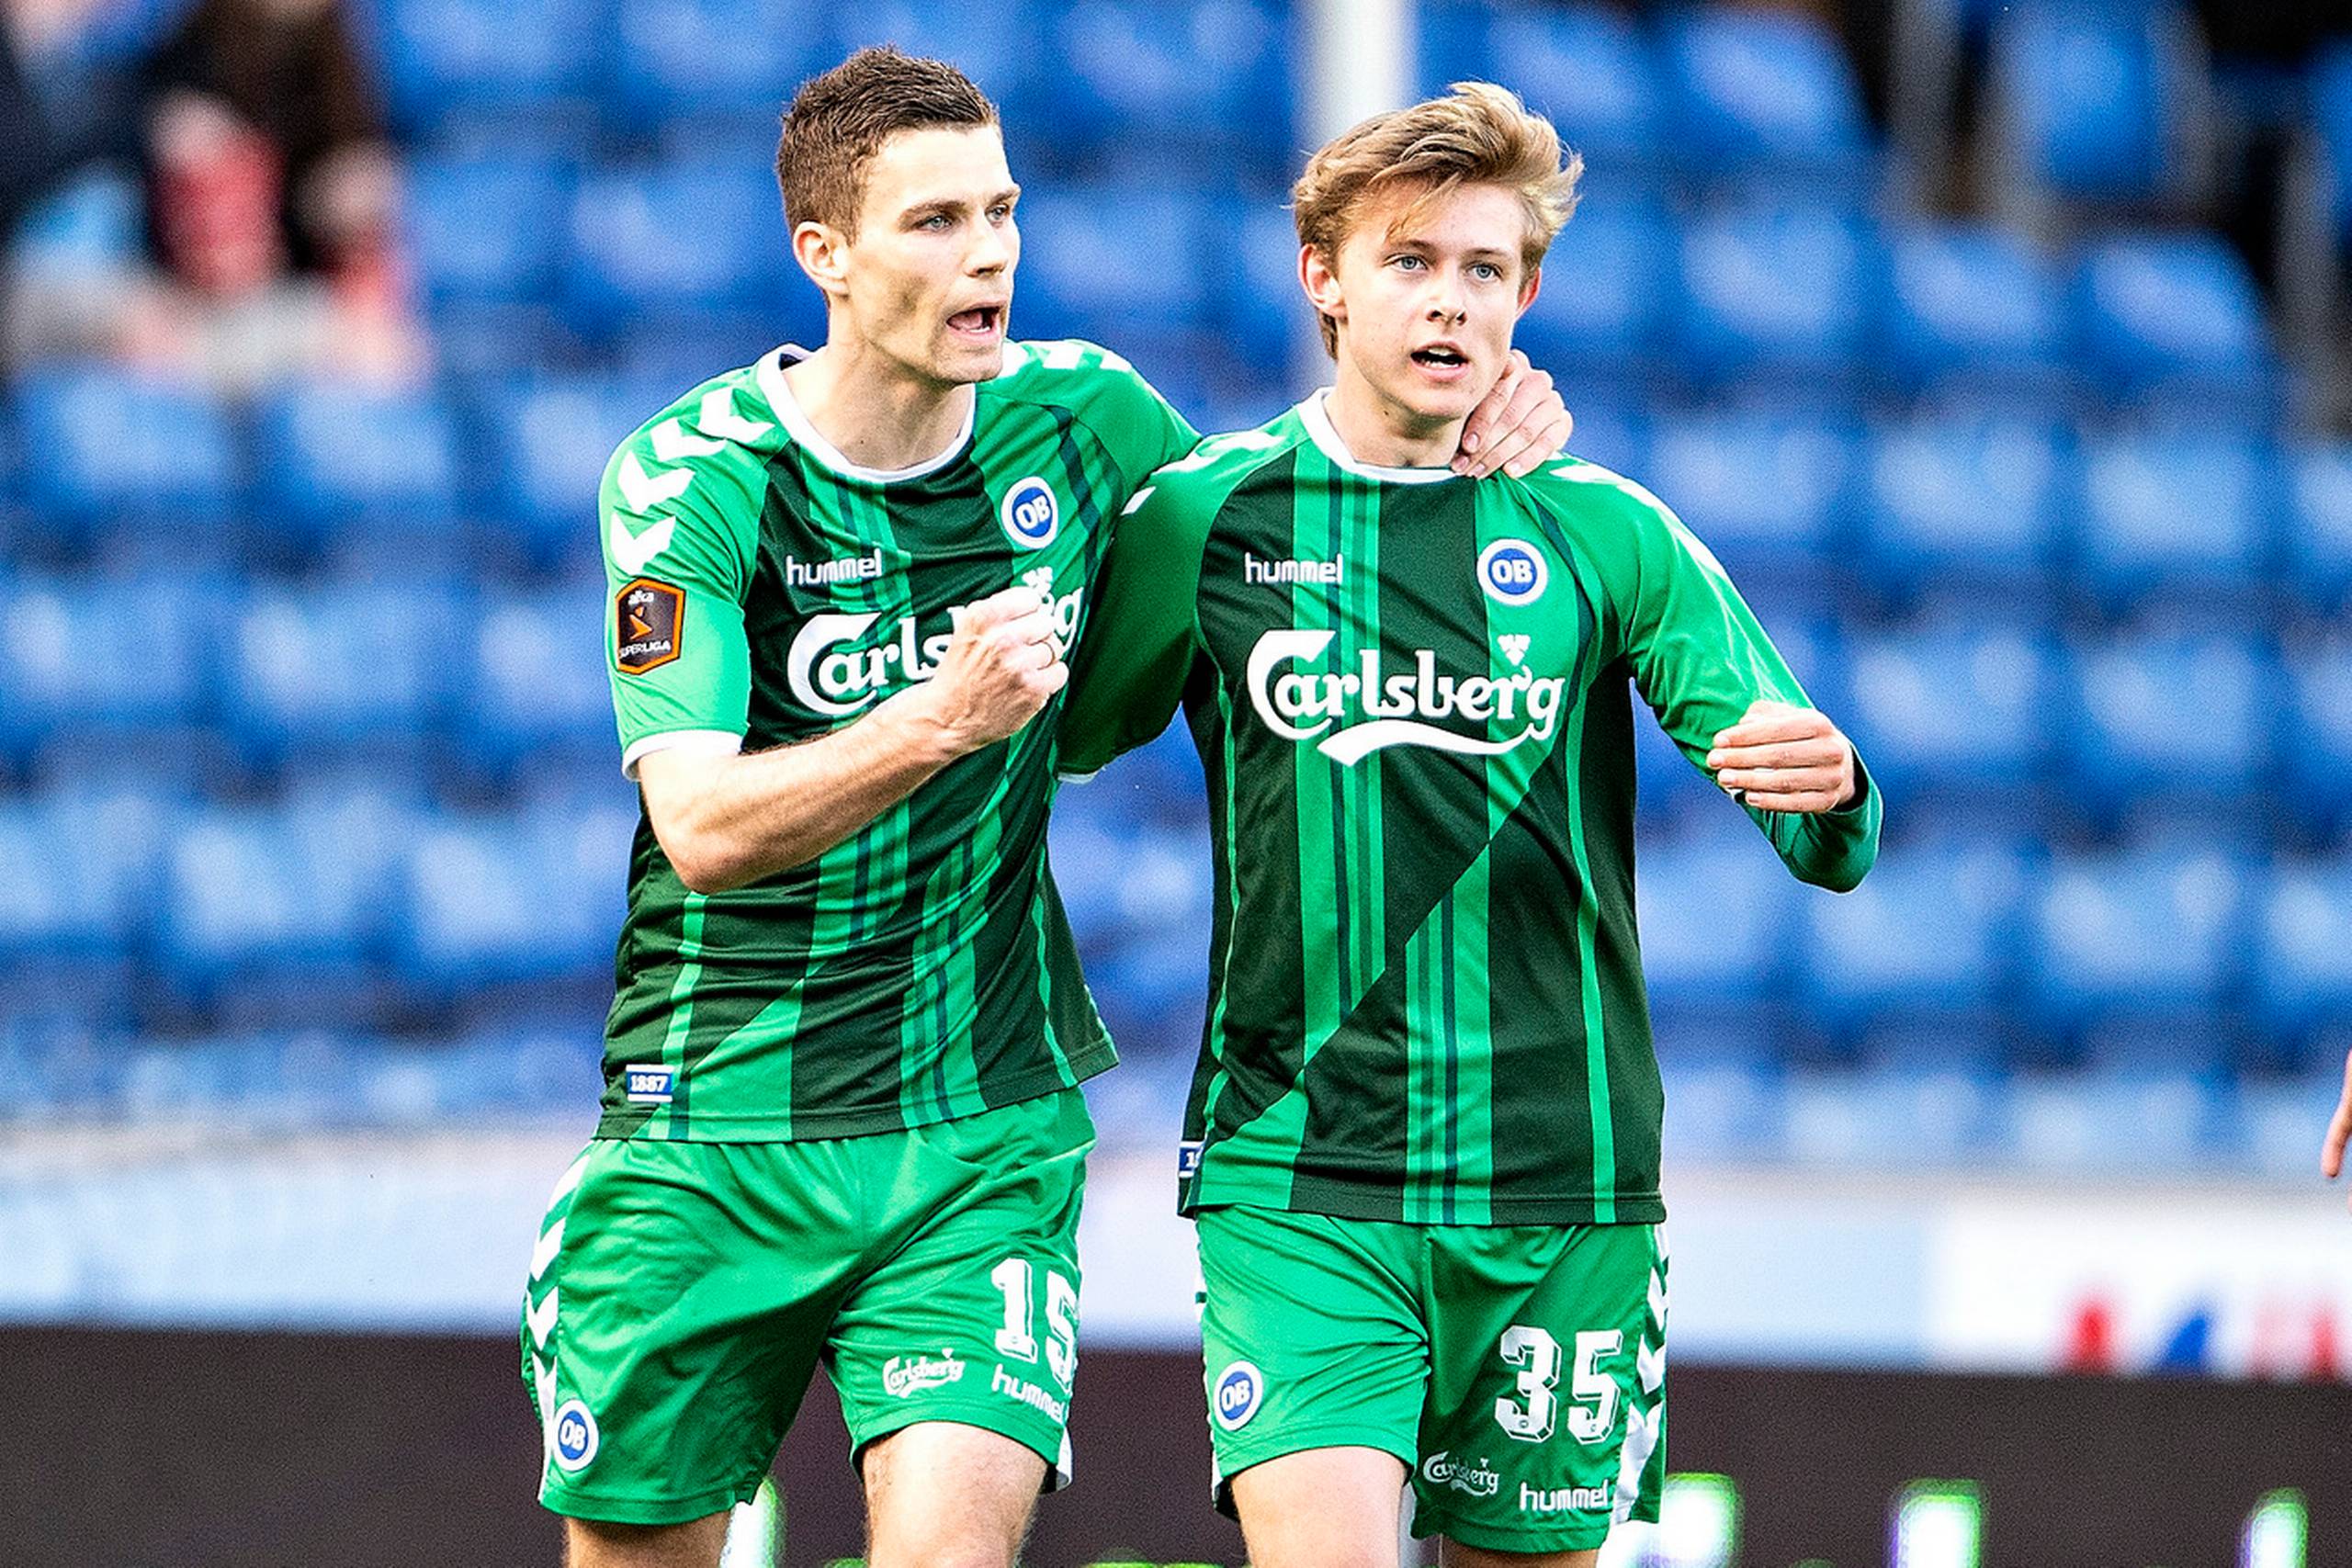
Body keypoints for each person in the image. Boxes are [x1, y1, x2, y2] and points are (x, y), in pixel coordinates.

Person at [524, 48, 1571, 1568]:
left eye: (1002, 210)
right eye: (937, 221)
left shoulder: (1083, 420)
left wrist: (1462, 412)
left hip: (981, 1127)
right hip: (712, 1127)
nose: (992, 251)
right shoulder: (697, 477)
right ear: (824, 254)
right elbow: (703, 827)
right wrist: (934, 724)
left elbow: (1291, 515)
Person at [1058, 83, 1883, 1567]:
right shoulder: (1204, 519)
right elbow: (1048, 745)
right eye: (1410, 262)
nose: (1450, 304)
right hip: (1300, 1172)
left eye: (1484, 270)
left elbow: (1831, 832)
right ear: (1325, 277)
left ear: (1529, 292)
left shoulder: (1603, 527)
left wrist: (1829, 788)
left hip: (1562, 1185)